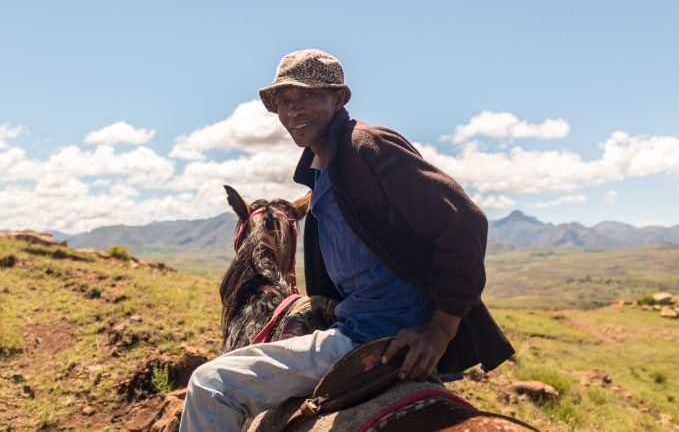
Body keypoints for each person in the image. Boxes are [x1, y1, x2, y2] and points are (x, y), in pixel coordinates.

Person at [179, 49, 514, 432]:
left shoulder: (367, 147)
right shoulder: (325, 171)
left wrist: (442, 328)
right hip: (358, 321)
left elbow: (465, 221)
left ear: (337, 98)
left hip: (375, 332)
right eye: (284, 102)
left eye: (307, 96)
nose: (293, 110)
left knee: (211, 384)